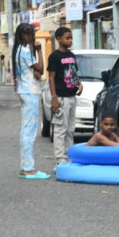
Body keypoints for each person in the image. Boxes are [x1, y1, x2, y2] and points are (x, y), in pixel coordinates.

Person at [13, 23, 51, 180]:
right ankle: (29, 168)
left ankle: (25, 166)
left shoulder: (18, 50)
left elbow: (33, 70)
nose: (32, 37)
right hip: (30, 91)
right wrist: (40, 50)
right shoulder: (26, 51)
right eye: (30, 34)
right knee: (30, 130)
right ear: (23, 36)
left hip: (24, 90)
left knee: (25, 129)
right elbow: (41, 69)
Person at [47, 27, 83, 165]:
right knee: (60, 130)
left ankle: (69, 157)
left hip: (72, 97)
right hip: (61, 98)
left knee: (70, 129)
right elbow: (51, 78)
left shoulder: (71, 55)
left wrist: (79, 84)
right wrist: (54, 98)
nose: (70, 40)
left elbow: (74, 73)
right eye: (67, 38)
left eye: (71, 38)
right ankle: (60, 160)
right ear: (59, 39)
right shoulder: (55, 56)